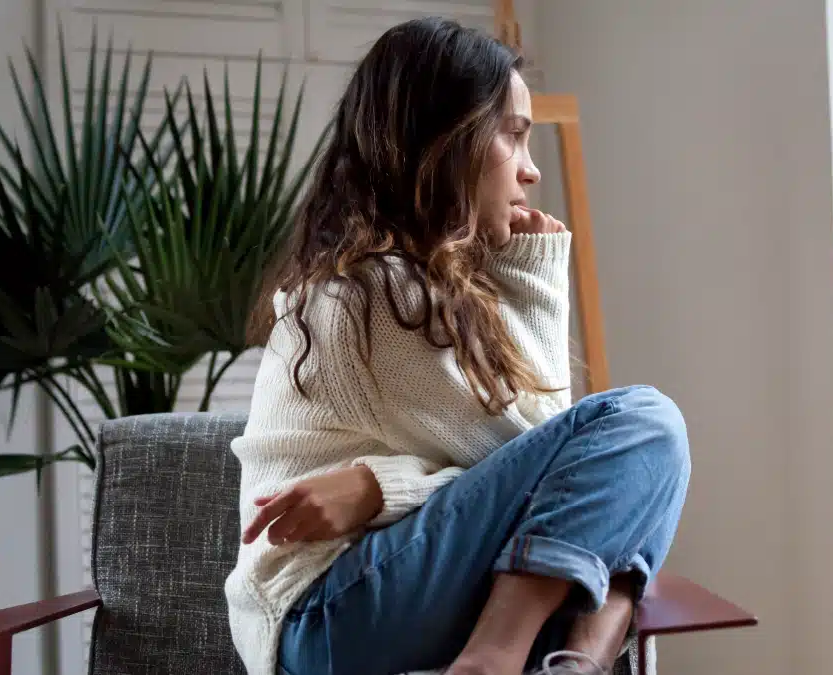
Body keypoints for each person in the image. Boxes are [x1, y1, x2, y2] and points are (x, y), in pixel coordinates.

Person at [224, 16, 691, 675]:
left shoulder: (427, 291)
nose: (530, 172)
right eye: (514, 138)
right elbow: (545, 448)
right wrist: (536, 273)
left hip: (378, 600)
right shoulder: (368, 295)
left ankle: (575, 664)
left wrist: (378, 487)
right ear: (451, 143)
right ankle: (494, 659)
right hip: (327, 610)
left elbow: (557, 478)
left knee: (626, 505)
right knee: (647, 425)